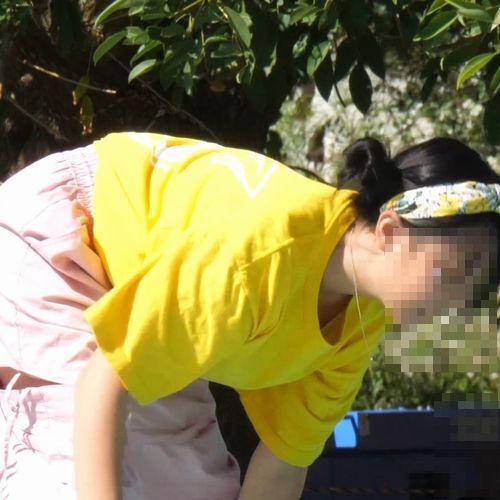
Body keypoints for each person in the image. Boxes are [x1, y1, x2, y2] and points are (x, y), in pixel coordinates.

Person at [0, 132, 498, 500]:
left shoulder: (359, 322)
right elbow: (103, 384)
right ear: (390, 231)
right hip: (72, 228)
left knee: (191, 488)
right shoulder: (259, 254)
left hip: (148, 286)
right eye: (458, 271)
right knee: (63, 475)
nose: (459, 302)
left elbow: (282, 468)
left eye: (477, 286)